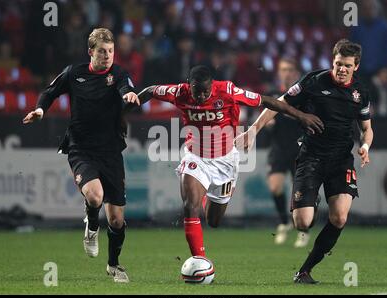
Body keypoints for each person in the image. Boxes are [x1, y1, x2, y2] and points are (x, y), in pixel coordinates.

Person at [138, 65, 323, 259]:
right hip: (196, 157)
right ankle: (199, 261)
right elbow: (150, 90)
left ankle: (206, 192)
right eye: (196, 92)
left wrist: (301, 116)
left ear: (212, 86)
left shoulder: (227, 91)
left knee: (214, 221)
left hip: (225, 161)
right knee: (190, 207)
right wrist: (127, 107)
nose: (201, 97)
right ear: (188, 86)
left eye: (205, 92)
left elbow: (267, 101)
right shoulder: (178, 92)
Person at [236, 39, 374, 284]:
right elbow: (278, 104)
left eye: (347, 66)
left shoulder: (360, 93)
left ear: (356, 66)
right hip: (311, 156)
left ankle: (305, 271)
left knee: (339, 218)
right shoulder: (313, 81)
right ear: (333, 61)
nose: (341, 69)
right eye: (338, 64)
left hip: (341, 159)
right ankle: (311, 197)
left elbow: (367, 127)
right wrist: (253, 130)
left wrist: (364, 146)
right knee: (302, 223)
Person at [22, 28, 140, 283]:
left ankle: (113, 265)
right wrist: (40, 110)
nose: (107, 56)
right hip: (81, 148)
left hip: (110, 151)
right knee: (95, 195)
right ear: (91, 52)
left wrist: (128, 95)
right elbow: (50, 92)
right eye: (102, 51)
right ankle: (92, 226)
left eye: (110, 51)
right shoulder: (74, 73)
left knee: (118, 220)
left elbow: (124, 88)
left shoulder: (118, 73)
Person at [264, 57, 312, 247]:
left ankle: (303, 230)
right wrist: (268, 123)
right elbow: (264, 117)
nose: (286, 73)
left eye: (290, 69)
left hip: (300, 147)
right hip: (278, 147)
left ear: (296, 72)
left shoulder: (303, 95)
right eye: (283, 69)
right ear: (279, 72)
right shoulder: (273, 94)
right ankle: (284, 223)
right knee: (275, 186)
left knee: (299, 192)